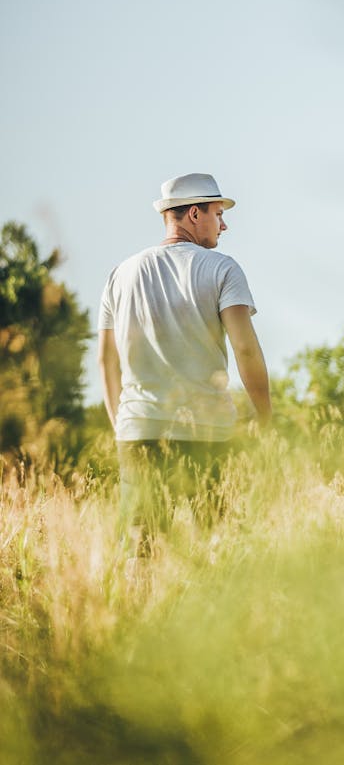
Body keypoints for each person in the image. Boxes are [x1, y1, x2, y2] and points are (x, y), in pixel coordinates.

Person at [98, 172, 271, 542]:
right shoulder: (223, 269)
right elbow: (245, 348)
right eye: (218, 213)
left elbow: (106, 361)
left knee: (140, 547)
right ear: (195, 213)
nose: (224, 224)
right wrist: (265, 415)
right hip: (206, 433)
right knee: (215, 544)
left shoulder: (121, 273)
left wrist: (122, 425)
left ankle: (135, 601)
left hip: (139, 430)